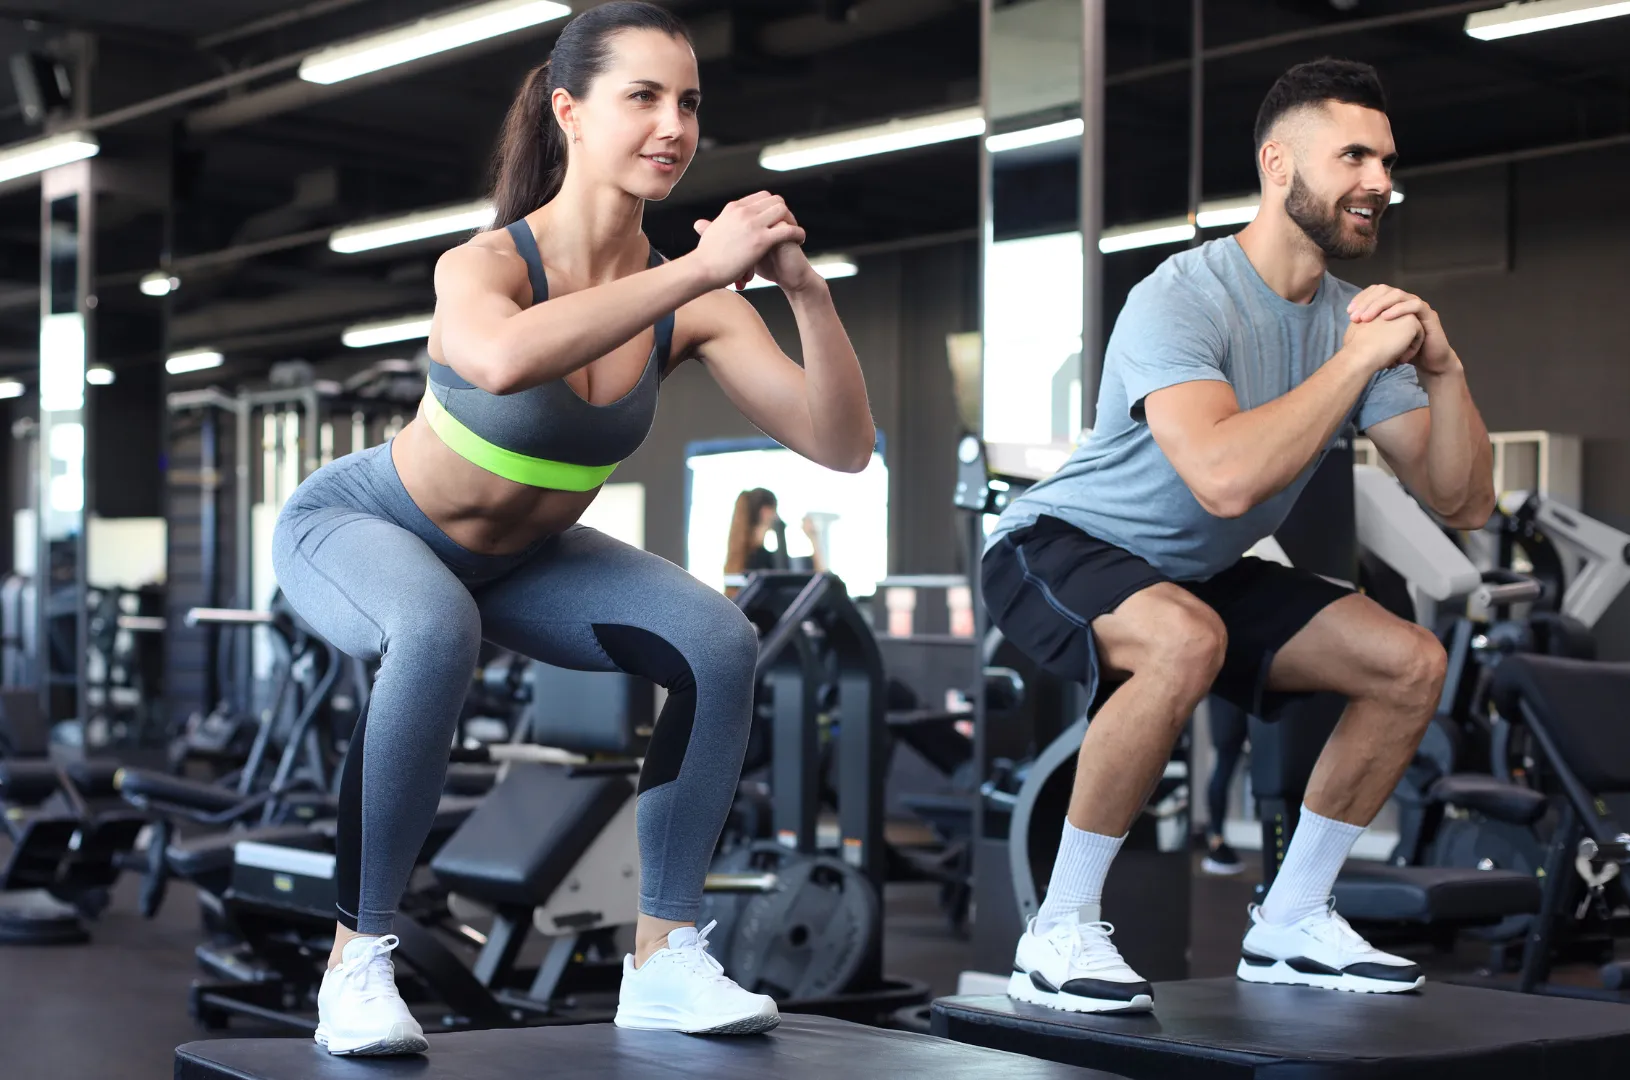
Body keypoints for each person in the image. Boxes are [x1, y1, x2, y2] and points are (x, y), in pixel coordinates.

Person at [271, 2, 874, 1056]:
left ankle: (663, 958)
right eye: (641, 96)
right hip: (368, 526)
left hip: (525, 561)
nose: (672, 125)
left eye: (687, 102)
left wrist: (806, 294)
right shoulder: (487, 264)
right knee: (432, 627)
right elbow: (501, 361)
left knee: (719, 641)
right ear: (569, 111)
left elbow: (841, 445)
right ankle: (355, 964)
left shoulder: (699, 304)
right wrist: (694, 269)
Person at [982, 58, 1494, 1014]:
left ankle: (1292, 919)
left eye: (1385, 159)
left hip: (1199, 569)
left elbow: (1462, 501)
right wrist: (1355, 362)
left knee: (1411, 663)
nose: (1378, 180)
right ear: (1277, 165)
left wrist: (1447, 367)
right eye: (1352, 155)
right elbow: (1223, 479)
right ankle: (1057, 931)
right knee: (1185, 638)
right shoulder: (1183, 295)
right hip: (1058, 545)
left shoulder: (1353, 321)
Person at [722, 487, 827, 593]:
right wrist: (813, 538)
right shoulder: (766, 562)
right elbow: (822, 581)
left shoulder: (738, 561)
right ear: (766, 512)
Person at [1201, 697, 1248, 876]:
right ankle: (1216, 839)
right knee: (1222, 771)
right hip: (1233, 707)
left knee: (1222, 770)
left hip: (1225, 706)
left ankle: (1216, 837)